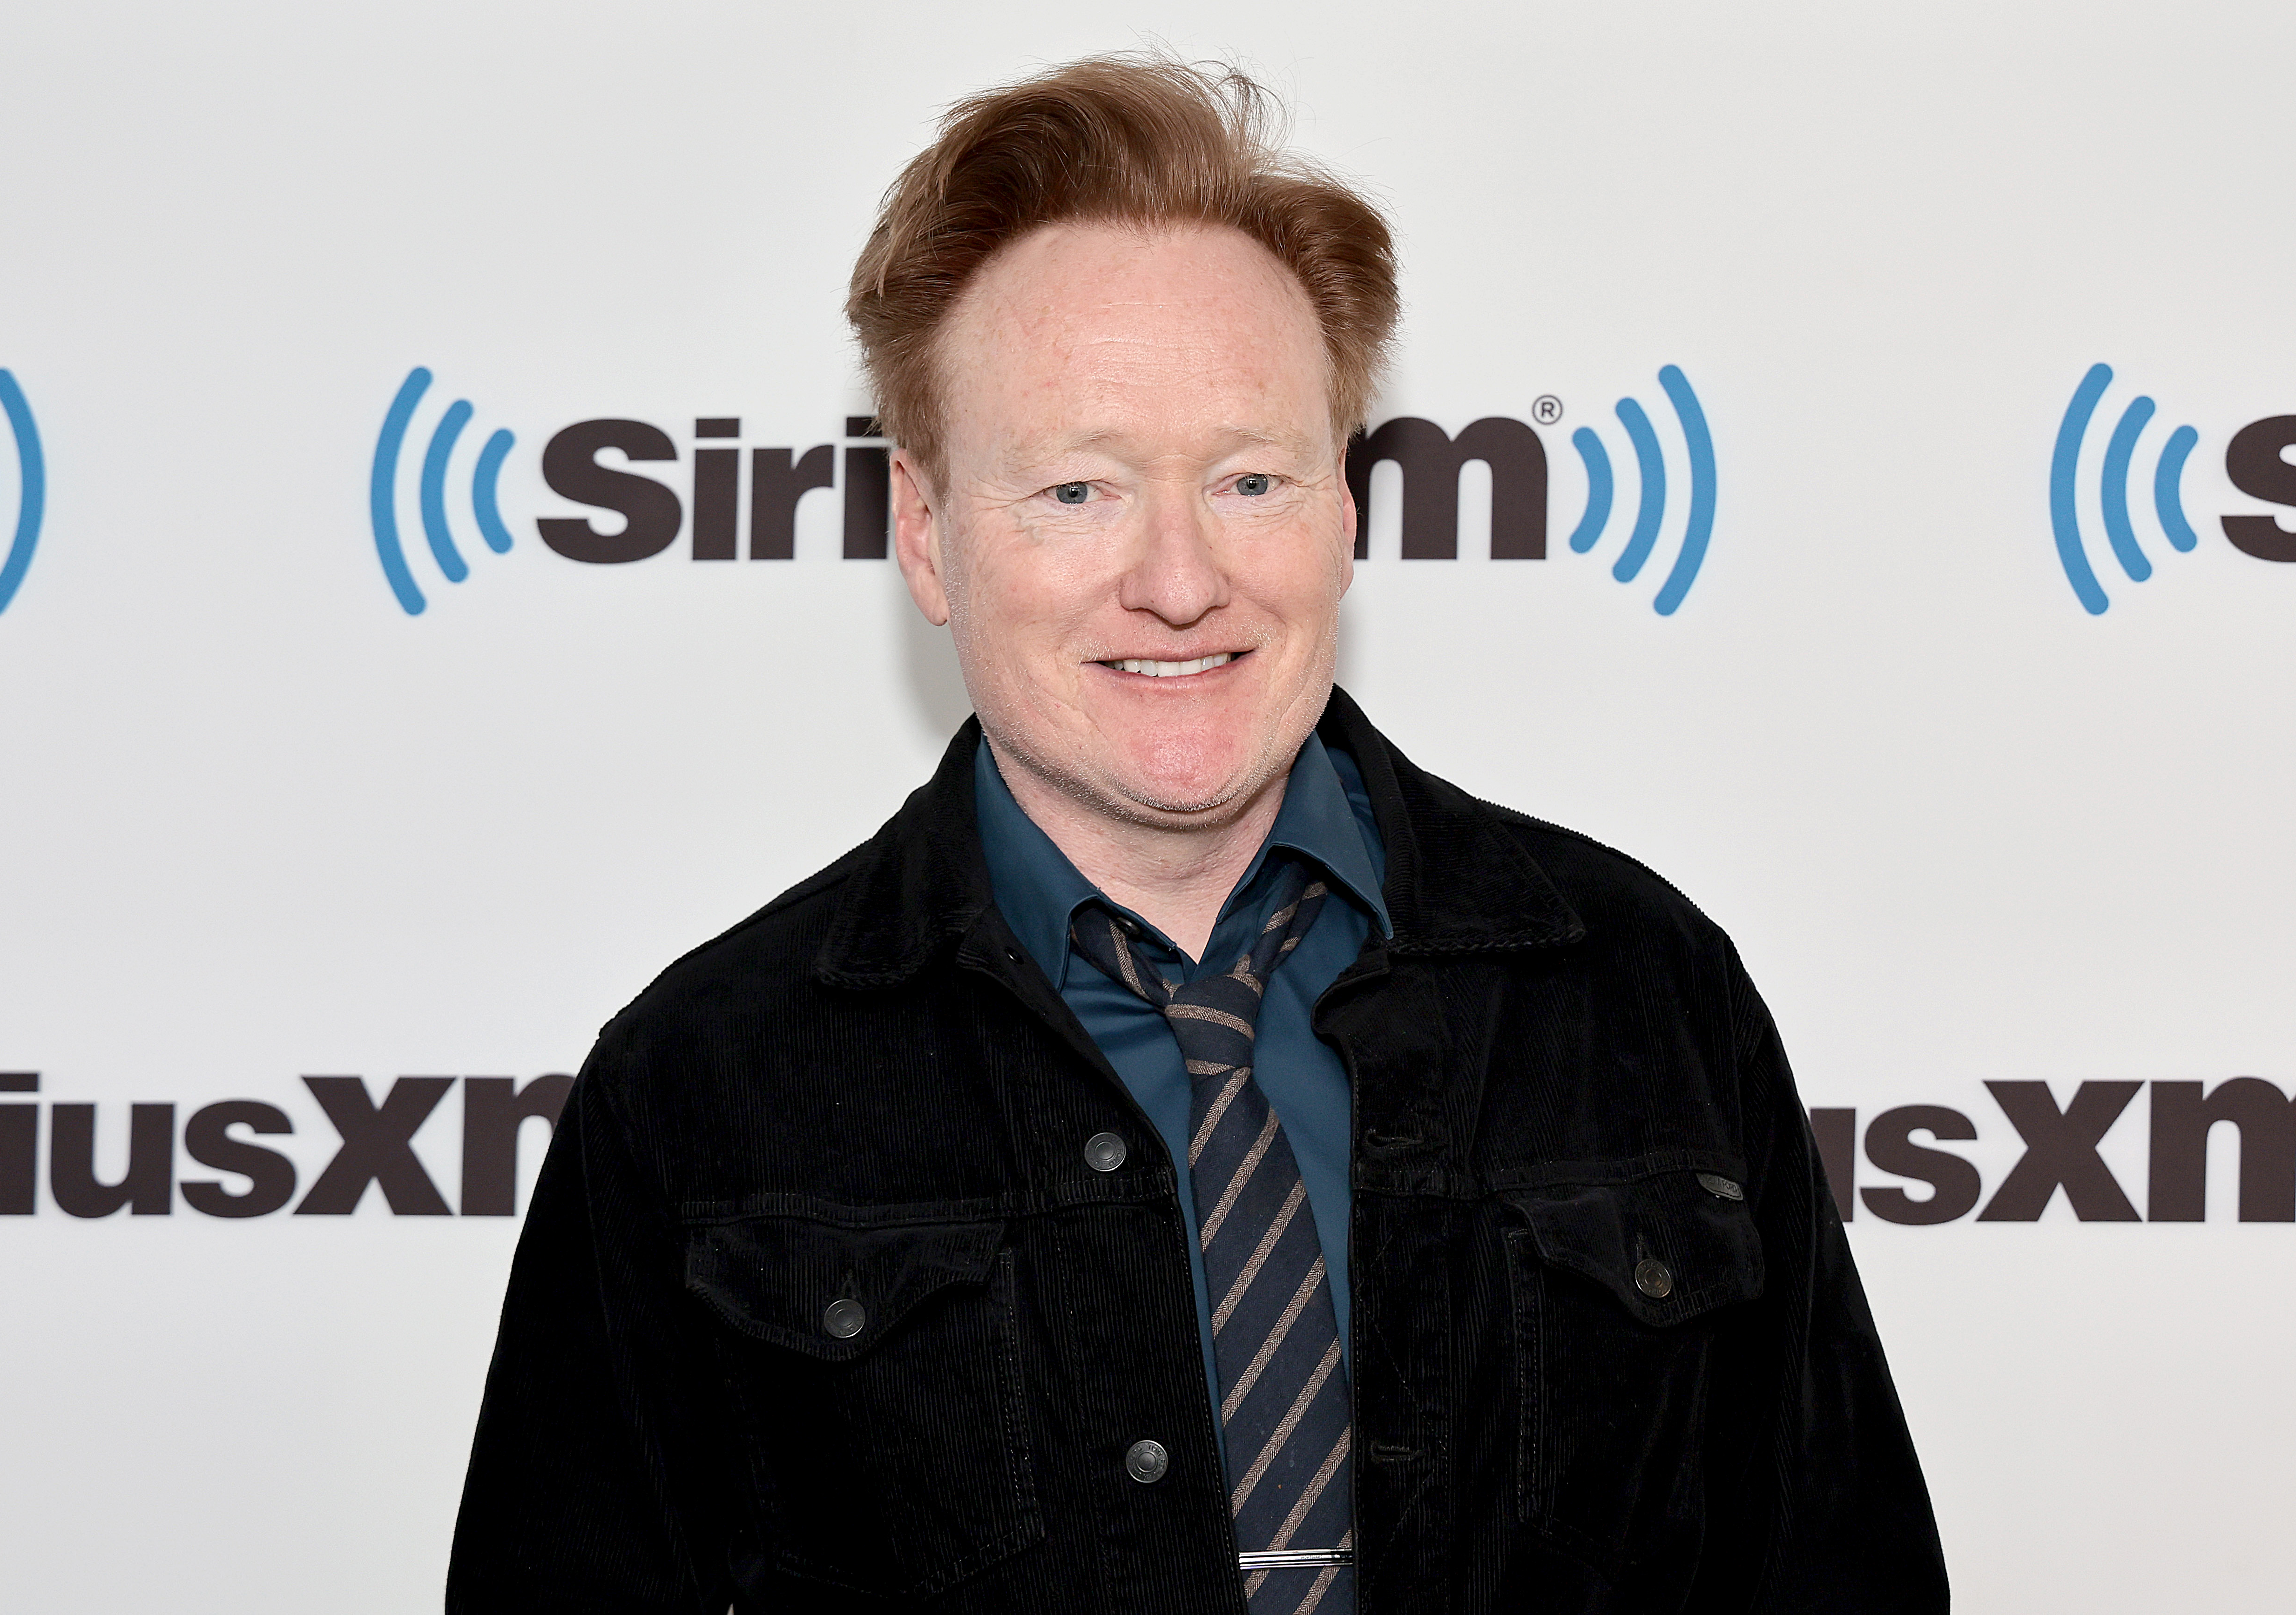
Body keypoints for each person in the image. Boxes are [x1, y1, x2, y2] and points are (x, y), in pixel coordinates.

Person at [448, 54, 1947, 1615]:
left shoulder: (1638, 998)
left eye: (1248, 478)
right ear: (923, 531)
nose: (1178, 579)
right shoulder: (704, 1084)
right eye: (1079, 489)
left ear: (1346, 510)